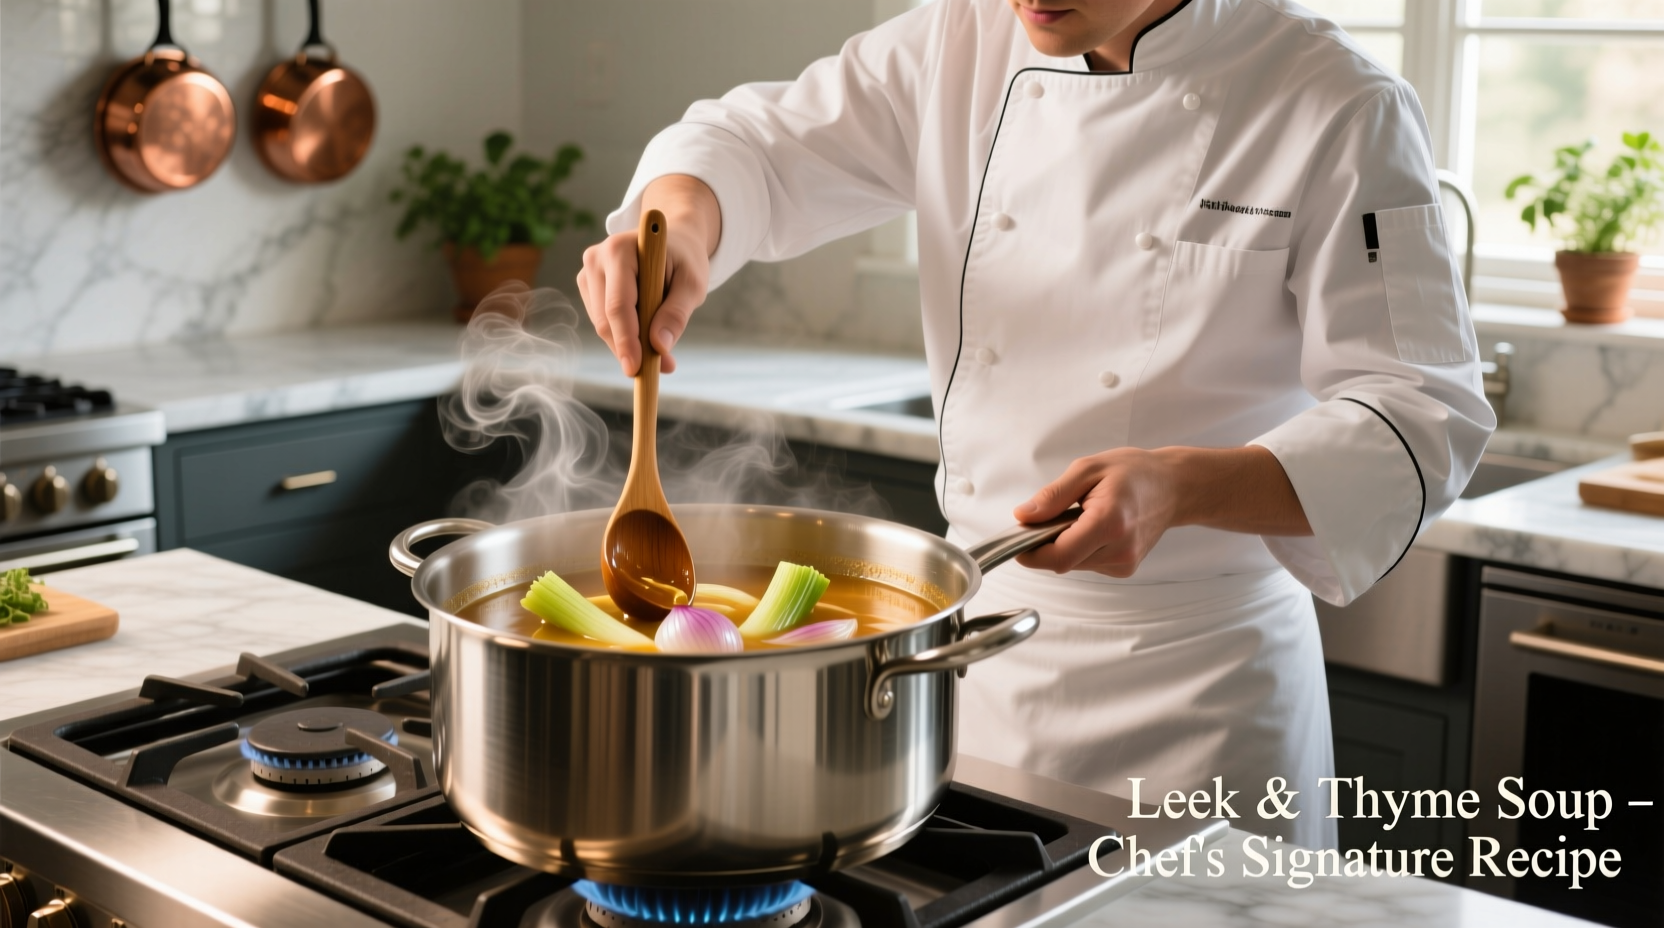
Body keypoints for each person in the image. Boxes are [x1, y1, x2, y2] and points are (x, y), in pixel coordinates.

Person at [575, 0, 1493, 850]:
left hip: (1203, 705)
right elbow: (753, 144)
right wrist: (680, 226)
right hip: (975, 680)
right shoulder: (960, 41)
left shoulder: (1336, 101)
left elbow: (1422, 412)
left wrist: (1185, 486)